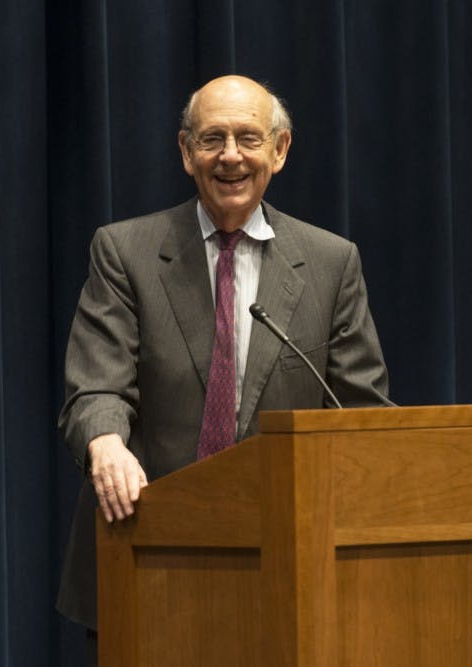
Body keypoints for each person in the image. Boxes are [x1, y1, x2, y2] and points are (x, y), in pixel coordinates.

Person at [56, 75, 391, 636]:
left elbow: (359, 412)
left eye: (248, 138)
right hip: (149, 553)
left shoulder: (331, 263)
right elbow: (97, 387)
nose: (230, 156)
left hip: (284, 559)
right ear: (187, 153)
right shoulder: (124, 252)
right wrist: (105, 443)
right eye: (212, 139)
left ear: (279, 150)